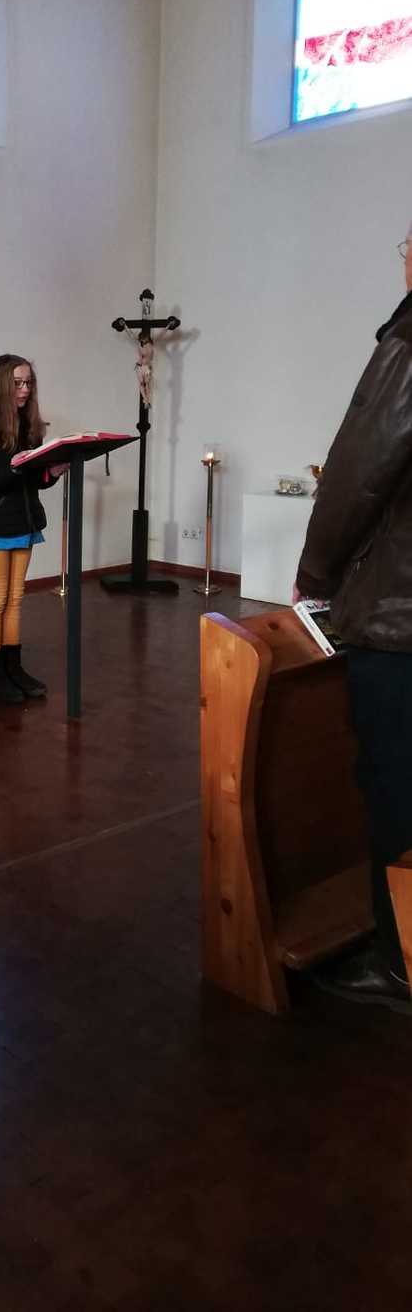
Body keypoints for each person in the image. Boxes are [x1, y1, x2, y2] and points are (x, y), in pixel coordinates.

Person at [295, 220, 412, 1009]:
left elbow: (359, 474)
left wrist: (314, 573)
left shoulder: (408, 339)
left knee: (396, 784)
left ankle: (398, 960)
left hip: (401, 618)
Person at [0, 354, 61, 703]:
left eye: (29, 382)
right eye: (17, 383)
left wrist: (51, 472)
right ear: (1, 384)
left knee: (16, 597)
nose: (25, 389)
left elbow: (33, 481)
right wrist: (14, 469)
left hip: (24, 519)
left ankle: (12, 667)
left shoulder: (28, 425)